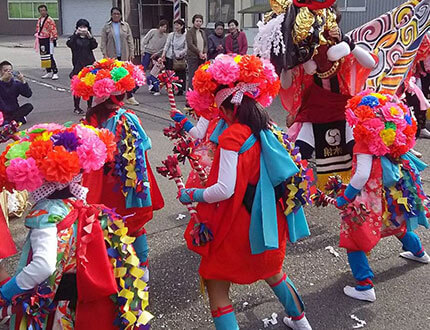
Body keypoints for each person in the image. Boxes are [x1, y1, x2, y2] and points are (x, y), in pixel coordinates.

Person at [177, 55, 312, 330]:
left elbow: (224, 190)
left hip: (238, 225)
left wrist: (192, 195)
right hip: (268, 222)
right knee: (273, 272)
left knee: (217, 287)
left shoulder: (231, 137)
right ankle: (300, 321)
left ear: (226, 111)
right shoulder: (267, 129)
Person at [0, 123, 152, 329]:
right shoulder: (80, 205)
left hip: (56, 304)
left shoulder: (45, 214)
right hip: (79, 301)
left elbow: (44, 266)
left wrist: (5, 293)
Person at [71, 58, 164, 281]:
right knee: (135, 225)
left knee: (105, 226)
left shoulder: (90, 119)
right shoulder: (129, 118)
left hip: (102, 182)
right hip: (130, 182)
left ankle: (110, 273)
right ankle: (142, 271)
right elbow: (146, 144)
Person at [333, 91, 430, 303]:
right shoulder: (391, 139)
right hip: (391, 194)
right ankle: (420, 252)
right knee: (396, 225)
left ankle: (364, 285)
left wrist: (345, 198)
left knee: (354, 239)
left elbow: (361, 176)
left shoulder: (364, 143)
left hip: (368, 199)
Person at [100, 7, 138, 106]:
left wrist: (131, 53)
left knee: (126, 76)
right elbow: (103, 42)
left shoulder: (125, 26)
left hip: (124, 55)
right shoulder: (106, 27)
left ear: (121, 15)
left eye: (118, 14)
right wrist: (105, 54)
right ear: (111, 15)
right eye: (114, 14)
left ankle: (130, 97)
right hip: (112, 56)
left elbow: (130, 40)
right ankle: (113, 98)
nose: (116, 16)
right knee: (113, 77)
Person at [66, 19, 98, 115]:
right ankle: (76, 107)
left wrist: (90, 37)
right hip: (77, 65)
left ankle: (89, 106)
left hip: (89, 64)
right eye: (81, 27)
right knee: (77, 87)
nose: (83, 29)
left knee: (89, 86)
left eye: (85, 27)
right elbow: (69, 44)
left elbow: (94, 45)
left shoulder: (89, 38)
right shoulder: (74, 39)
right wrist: (76, 35)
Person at [162, 19, 187, 96]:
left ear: (182, 26)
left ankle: (181, 89)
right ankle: (170, 88)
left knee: (181, 74)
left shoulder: (185, 35)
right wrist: (163, 54)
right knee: (170, 74)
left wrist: (181, 53)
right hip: (170, 56)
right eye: (175, 25)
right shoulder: (171, 35)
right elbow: (167, 45)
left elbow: (186, 47)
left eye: (178, 25)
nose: (176, 27)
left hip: (180, 57)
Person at [35, 4, 59, 80]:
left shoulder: (50, 20)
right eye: (41, 10)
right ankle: (48, 71)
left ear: (46, 11)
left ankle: (55, 72)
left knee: (50, 55)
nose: (43, 12)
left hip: (48, 39)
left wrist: (54, 38)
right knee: (44, 56)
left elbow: (53, 29)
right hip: (41, 39)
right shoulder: (39, 19)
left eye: (44, 10)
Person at [186, 14, 208, 91]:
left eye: (200, 21)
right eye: (197, 21)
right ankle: (189, 96)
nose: (198, 23)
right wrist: (199, 52)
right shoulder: (190, 32)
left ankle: (199, 94)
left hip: (202, 57)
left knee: (201, 76)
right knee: (192, 75)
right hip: (193, 57)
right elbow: (190, 44)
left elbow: (205, 44)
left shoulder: (202, 32)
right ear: (193, 22)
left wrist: (204, 52)